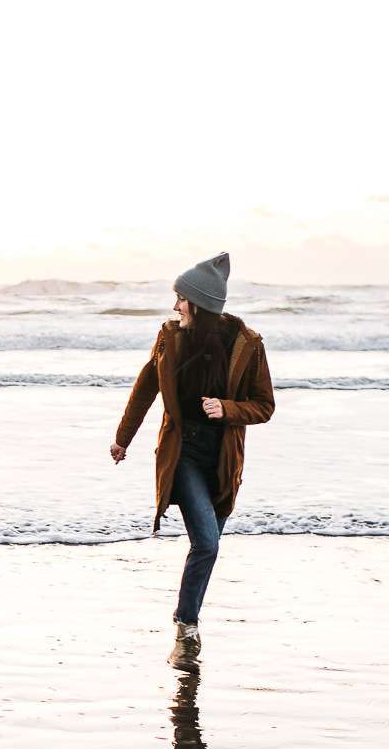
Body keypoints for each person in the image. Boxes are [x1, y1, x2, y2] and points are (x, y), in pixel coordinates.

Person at [110, 253, 274, 669]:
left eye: (180, 298)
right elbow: (145, 386)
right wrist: (122, 439)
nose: (174, 306)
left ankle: (186, 625)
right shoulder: (169, 337)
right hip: (181, 454)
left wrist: (228, 409)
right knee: (206, 542)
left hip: (221, 461)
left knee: (207, 546)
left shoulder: (247, 345)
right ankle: (187, 628)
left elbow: (264, 405)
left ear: (199, 303)